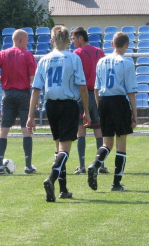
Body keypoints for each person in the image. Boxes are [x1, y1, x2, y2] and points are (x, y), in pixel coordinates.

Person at [26, 26, 91, 202]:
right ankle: (51, 179)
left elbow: (36, 89)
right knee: (65, 148)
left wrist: (30, 116)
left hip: (51, 105)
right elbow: (83, 87)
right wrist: (86, 111)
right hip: (68, 104)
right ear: (68, 40)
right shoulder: (73, 58)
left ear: (52, 40)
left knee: (58, 147)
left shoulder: (45, 59)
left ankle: (62, 189)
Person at [87, 32, 138, 192]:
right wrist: (134, 114)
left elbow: (96, 89)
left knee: (106, 143)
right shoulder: (127, 62)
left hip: (104, 102)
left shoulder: (101, 61)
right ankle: (116, 183)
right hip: (119, 102)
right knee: (121, 144)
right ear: (127, 45)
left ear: (112, 44)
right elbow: (131, 91)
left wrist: (99, 107)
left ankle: (95, 165)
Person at [0, 29, 37, 175]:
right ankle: (28, 166)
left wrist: (4, 80)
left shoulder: (3, 54)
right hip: (24, 95)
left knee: (3, 130)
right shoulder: (28, 55)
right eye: (27, 40)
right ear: (21, 40)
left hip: (8, 94)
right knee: (26, 130)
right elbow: (32, 79)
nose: (28, 43)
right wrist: (36, 99)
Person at [70, 27, 107, 175]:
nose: (72, 42)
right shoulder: (100, 52)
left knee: (81, 130)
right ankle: (101, 165)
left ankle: (82, 166)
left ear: (80, 38)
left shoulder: (77, 54)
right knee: (99, 130)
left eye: (73, 38)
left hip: (83, 93)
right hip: (98, 94)